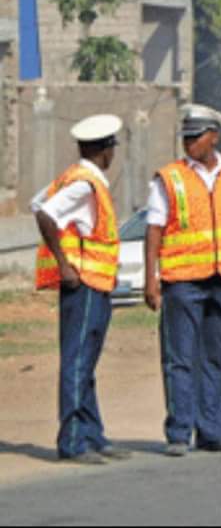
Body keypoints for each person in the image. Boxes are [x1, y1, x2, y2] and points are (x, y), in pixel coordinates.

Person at [143, 104, 221, 457]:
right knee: (179, 358)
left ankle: (212, 431)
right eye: (186, 137)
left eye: (196, 137)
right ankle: (179, 433)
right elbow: (153, 230)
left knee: (217, 358)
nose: (189, 144)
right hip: (182, 281)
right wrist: (152, 279)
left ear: (214, 137)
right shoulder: (169, 178)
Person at [32, 114, 132, 465]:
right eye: (111, 148)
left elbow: (36, 202)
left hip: (96, 282)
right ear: (103, 150)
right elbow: (44, 213)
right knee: (77, 362)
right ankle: (72, 440)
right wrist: (64, 262)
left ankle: (93, 435)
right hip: (84, 282)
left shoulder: (77, 178)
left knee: (86, 363)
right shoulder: (84, 183)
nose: (113, 154)